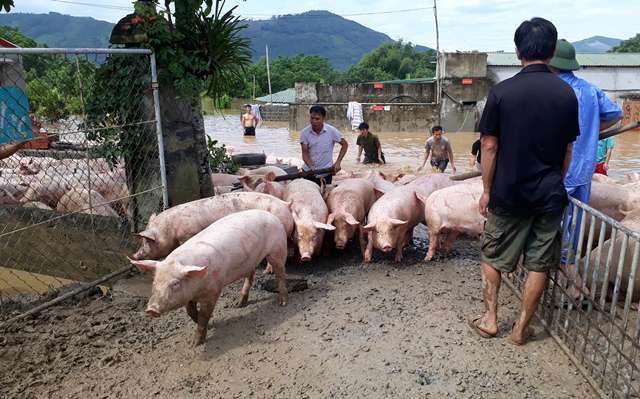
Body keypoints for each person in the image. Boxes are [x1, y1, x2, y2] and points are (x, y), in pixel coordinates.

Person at [469, 17, 580, 346]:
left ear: (518, 51)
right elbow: (567, 149)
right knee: (538, 264)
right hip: (548, 196)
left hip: (508, 193)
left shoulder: (502, 92)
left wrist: (486, 190)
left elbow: (489, 146)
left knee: (492, 256)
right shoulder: (566, 94)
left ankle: (490, 320)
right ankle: (521, 329)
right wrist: (555, 183)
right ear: (551, 52)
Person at [548, 39, 622, 292]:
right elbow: (616, 115)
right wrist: (590, 133)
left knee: (553, 221)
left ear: (551, 62)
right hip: (584, 168)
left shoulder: (553, 90)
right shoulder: (590, 90)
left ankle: (567, 275)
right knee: (574, 220)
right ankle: (569, 267)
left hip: (559, 167)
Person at [300, 105, 349, 186]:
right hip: (309, 173)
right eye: (312, 118)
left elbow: (345, 145)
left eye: (317, 119)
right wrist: (310, 166)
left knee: (325, 197)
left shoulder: (331, 131)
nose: (314, 121)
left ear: (323, 119)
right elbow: (304, 153)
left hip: (326, 173)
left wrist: (338, 162)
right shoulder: (305, 133)